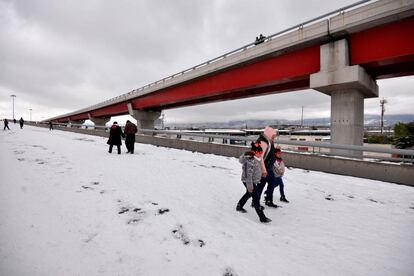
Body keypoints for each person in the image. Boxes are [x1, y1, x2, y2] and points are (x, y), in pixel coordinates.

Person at [237, 142, 271, 223]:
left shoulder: (257, 159)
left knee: (249, 194)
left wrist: (262, 173)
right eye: (259, 152)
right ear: (255, 152)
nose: (260, 154)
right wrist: (250, 187)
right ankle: (262, 217)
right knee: (255, 197)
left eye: (261, 152)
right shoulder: (251, 161)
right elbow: (249, 175)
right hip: (248, 181)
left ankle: (239, 206)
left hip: (251, 181)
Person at [256, 126, 280, 208]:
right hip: (263, 168)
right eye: (273, 135)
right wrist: (263, 170)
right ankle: (255, 202)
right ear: (269, 134)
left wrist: (276, 150)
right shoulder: (263, 142)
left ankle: (268, 200)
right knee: (260, 186)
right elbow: (260, 157)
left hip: (268, 168)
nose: (275, 136)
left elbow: (270, 153)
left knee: (272, 183)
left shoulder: (269, 141)